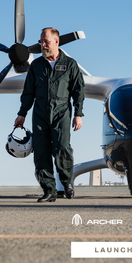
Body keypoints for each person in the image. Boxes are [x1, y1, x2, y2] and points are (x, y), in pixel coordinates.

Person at [14, 27, 85, 202]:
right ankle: (49, 190)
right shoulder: (36, 66)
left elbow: (78, 91)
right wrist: (22, 114)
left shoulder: (70, 65)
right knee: (41, 152)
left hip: (61, 112)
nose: (42, 45)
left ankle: (67, 181)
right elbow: (28, 92)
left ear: (56, 42)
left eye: (46, 42)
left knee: (62, 148)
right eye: (41, 42)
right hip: (40, 113)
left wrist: (78, 114)